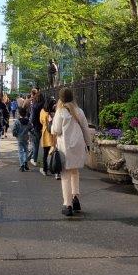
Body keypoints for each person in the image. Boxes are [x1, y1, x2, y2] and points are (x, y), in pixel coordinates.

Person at [51, 87, 91, 217]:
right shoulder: (79, 111)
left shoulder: (60, 112)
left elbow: (56, 130)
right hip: (78, 145)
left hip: (65, 147)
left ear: (61, 98)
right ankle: (76, 199)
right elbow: (86, 128)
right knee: (75, 172)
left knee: (65, 175)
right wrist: (88, 144)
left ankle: (67, 204)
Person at [39, 97, 56, 176]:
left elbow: (41, 121)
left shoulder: (42, 111)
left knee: (45, 153)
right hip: (53, 134)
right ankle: (55, 169)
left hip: (45, 133)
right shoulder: (53, 113)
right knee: (54, 152)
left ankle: (45, 170)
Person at [12, 107, 31, 171]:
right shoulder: (28, 121)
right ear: (26, 114)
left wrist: (16, 135)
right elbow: (31, 129)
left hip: (19, 138)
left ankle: (22, 165)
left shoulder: (17, 121)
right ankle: (26, 163)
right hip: (26, 138)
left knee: (20, 152)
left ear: (19, 113)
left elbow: (14, 130)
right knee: (26, 151)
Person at [29, 90, 45, 166]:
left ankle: (35, 159)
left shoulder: (35, 106)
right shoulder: (45, 105)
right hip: (44, 127)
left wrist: (32, 126)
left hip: (36, 127)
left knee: (35, 144)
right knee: (44, 145)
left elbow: (33, 118)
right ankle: (42, 160)